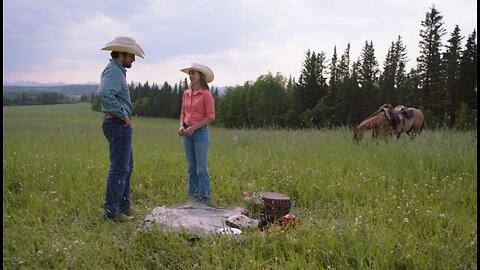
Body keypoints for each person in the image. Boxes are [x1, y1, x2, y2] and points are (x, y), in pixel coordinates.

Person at [98, 36, 145, 222]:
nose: (133, 59)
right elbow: (104, 94)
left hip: (119, 124)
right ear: (122, 54)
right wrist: (123, 114)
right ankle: (112, 211)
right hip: (117, 123)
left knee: (126, 167)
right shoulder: (114, 72)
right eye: (131, 55)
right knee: (119, 169)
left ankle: (123, 207)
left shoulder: (117, 71)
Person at [178, 63, 216, 205]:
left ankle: (204, 199)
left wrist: (193, 128)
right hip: (187, 133)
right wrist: (182, 126)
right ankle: (193, 199)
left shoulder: (206, 94)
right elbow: (182, 112)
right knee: (191, 168)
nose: (191, 75)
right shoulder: (186, 93)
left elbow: (210, 117)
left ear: (201, 76)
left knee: (201, 168)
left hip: (200, 133)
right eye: (190, 73)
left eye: (194, 73)